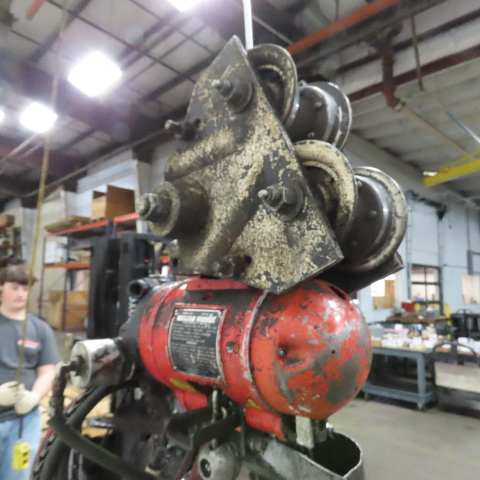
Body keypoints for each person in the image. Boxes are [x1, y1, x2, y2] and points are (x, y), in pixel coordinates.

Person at [0, 265, 59, 480]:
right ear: (1, 288)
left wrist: (34, 397)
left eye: (25, 289)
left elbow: (47, 372)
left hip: (25, 422)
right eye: (14, 288)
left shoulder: (40, 329)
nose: (20, 294)